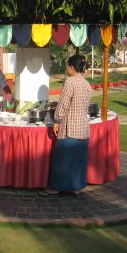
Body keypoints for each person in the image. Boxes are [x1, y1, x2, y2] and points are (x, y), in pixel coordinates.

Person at [40, 54, 91, 196]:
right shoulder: (86, 84)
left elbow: (63, 105)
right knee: (78, 160)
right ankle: (76, 186)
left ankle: (55, 187)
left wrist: (56, 120)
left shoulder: (70, 82)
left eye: (67, 66)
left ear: (71, 67)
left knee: (62, 159)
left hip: (70, 127)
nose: (66, 68)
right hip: (83, 127)